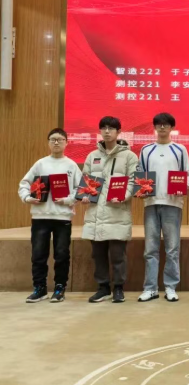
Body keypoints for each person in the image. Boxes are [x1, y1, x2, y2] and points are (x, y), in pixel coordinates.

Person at [18, 128, 82, 303]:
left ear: (66, 143)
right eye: (53, 139)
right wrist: (27, 197)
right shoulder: (40, 164)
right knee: (38, 255)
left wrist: (68, 200)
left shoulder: (71, 165)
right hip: (40, 216)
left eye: (60, 139)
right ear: (48, 142)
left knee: (61, 255)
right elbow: (24, 183)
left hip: (63, 217)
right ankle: (39, 289)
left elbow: (80, 189)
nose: (56, 142)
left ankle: (60, 288)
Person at [81, 116, 138, 304]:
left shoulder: (129, 156)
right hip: (96, 213)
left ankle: (119, 288)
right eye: (103, 128)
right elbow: (86, 180)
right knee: (98, 255)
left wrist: (124, 195)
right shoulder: (92, 156)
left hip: (117, 212)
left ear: (118, 132)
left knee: (117, 255)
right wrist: (85, 195)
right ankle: (103, 288)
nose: (107, 131)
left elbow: (133, 181)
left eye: (111, 128)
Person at [137, 113, 189, 302]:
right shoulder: (146, 150)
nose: (162, 127)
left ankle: (170, 287)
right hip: (151, 203)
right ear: (154, 127)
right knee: (150, 249)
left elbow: (187, 175)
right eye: (159, 124)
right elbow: (140, 175)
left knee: (172, 248)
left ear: (171, 127)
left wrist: (182, 188)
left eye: (166, 124)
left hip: (172, 204)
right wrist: (141, 189)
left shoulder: (180, 149)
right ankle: (150, 288)